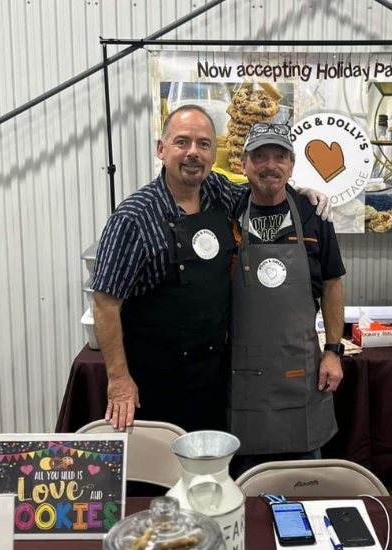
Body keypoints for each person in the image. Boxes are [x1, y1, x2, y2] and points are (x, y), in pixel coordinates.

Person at [91, 105, 330, 432]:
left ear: (213, 154)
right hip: (154, 381)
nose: (193, 153)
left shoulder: (218, 192)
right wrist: (119, 379)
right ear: (161, 149)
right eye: (182, 142)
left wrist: (300, 191)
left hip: (213, 376)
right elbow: (105, 302)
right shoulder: (133, 218)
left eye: (203, 144)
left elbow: (260, 187)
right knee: (160, 478)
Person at [229, 122, 346, 476]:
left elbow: (332, 284)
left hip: (302, 368)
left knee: (308, 482)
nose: (270, 165)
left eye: (280, 156)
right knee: (246, 487)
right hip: (243, 371)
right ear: (245, 165)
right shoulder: (227, 211)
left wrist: (333, 351)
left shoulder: (313, 215)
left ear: (292, 165)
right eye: (260, 156)